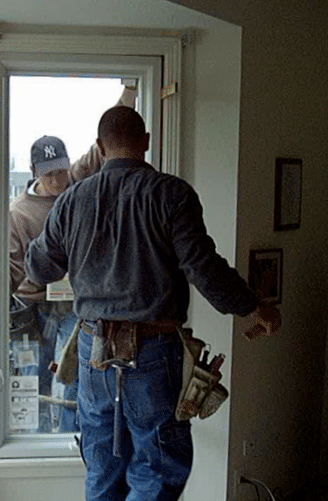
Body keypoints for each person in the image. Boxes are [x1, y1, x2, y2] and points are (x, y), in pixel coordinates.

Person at [24, 106, 281, 499]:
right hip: (154, 352)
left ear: (99, 146)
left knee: (103, 464)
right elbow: (203, 268)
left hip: (94, 352)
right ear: (145, 142)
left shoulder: (72, 199)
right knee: (158, 468)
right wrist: (253, 307)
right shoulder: (172, 195)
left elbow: (38, 268)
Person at [0, 85, 138, 433]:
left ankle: (70, 436)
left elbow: (100, 148)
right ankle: (34, 437)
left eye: (62, 171)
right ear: (35, 172)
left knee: (71, 373)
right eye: (50, 175)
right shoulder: (18, 214)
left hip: (71, 306)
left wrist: (130, 93)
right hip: (33, 307)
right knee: (33, 376)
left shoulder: (75, 184)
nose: (59, 181)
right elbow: (13, 267)